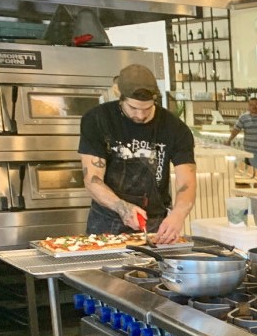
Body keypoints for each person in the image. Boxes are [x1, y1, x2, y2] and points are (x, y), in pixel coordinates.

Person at [79, 64, 195, 244]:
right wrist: (122, 207)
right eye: (133, 108)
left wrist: (178, 214)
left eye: (147, 108)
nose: (140, 115)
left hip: (155, 225)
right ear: (120, 96)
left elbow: (187, 183)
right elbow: (92, 180)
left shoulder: (175, 128)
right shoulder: (97, 119)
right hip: (106, 224)